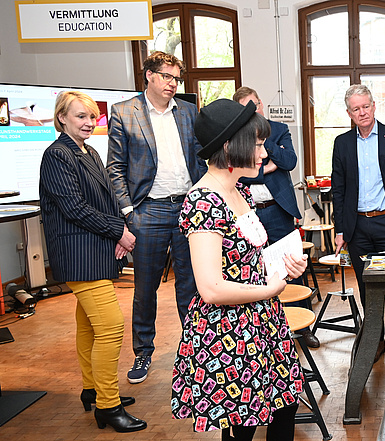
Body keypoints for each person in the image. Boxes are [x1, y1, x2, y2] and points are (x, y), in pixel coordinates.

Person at [172, 98, 309, 441]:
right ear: (231, 145)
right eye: (259, 144)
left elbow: (248, 259)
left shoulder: (239, 191)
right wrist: (270, 289)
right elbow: (211, 288)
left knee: (285, 405)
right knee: (243, 424)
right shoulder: (204, 201)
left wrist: (285, 266)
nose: (264, 154)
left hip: (262, 321)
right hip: (229, 331)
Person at [40, 91, 146, 432]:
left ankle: (93, 389)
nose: (88, 123)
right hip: (77, 254)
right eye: (80, 116)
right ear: (62, 118)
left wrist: (120, 229)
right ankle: (108, 406)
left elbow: (106, 200)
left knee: (88, 325)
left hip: (94, 248)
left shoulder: (89, 151)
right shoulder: (57, 155)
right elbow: (73, 208)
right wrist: (119, 231)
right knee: (112, 326)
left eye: (91, 117)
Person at [107, 51, 207, 384]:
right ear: (149, 75)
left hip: (188, 206)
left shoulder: (190, 112)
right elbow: (115, 168)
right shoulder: (125, 112)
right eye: (167, 76)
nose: (173, 84)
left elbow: (202, 159)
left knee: (191, 285)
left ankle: (196, 352)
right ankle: (143, 353)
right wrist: (128, 212)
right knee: (145, 286)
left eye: (177, 79)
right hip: (147, 209)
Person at [233, 86, 319, 349]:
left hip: (278, 209)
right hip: (250, 213)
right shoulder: (235, 136)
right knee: (257, 271)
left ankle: (304, 328)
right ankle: (267, 330)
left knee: (292, 265)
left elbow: (290, 161)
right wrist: (267, 168)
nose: (254, 111)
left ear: (261, 104)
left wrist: (264, 138)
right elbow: (240, 174)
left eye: (256, 106)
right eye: (247, 109)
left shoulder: (278, 129)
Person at [331, 84, 385, 316]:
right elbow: (338, 190)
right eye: (356, 109)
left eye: (366, 106)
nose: (362, 112)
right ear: (349, 113)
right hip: (357, 227)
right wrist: (341, 230)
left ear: (374, 106)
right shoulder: (342, 143)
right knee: (367, 286)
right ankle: (373, 340)